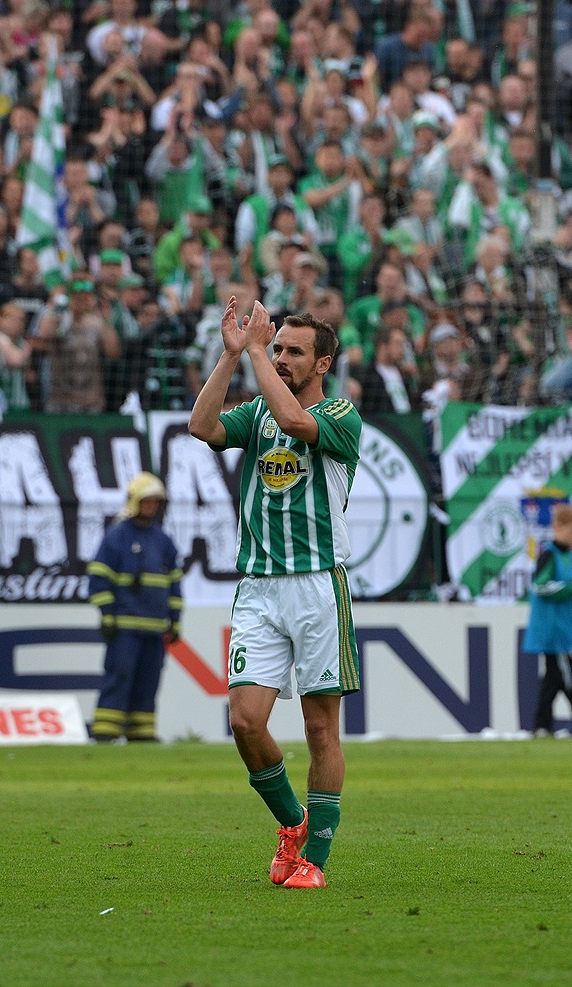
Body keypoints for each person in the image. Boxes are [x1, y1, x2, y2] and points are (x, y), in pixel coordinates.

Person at [189, 297, 362, 889]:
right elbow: (202, 427)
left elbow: (295, 423)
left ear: (323, 363)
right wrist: (232, 355)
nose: (283, 358)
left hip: (318, 586)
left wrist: (257, 349)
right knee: (244, 721)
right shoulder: (257, 411)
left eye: (294, 351)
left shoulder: (342, 415)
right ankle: (293, 824)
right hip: (259, 587)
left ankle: (314, 859)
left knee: (320, 730)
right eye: (279, 347)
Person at [86, 473, 183, 743]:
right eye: (147, 501)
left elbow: (174, 583)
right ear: (135, 502)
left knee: (148, 683)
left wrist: (175, 621)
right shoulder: (117, 536)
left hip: (154, 629)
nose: (151, 506)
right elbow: (98, 576)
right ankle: (106, 732)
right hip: (124, 626)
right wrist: (107, 614)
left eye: (155, 502)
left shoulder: (163, 540)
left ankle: (141, 733)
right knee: (119, 676)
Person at [522, 504, 572, 738]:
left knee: (553, 679)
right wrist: (570, 588)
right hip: (553, 628)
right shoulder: (549, 555)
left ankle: (541, 725)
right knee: (569, 677)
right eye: (571, 530)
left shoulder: (569, 556)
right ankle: (541, 725)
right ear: (557, 528)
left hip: (563, 627)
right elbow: (540, 587)